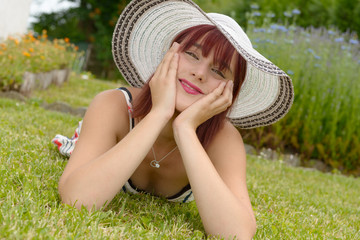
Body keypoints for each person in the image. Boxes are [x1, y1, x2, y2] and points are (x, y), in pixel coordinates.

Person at [53, 0, 294, 239]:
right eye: (192, 54)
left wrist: (186, 129)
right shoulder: (113, 105)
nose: (199, 73)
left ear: (229, 92)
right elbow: (77, 200)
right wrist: (159, 114)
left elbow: (237, 234)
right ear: (168, 54)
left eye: (218, 71)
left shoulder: (224, 139)